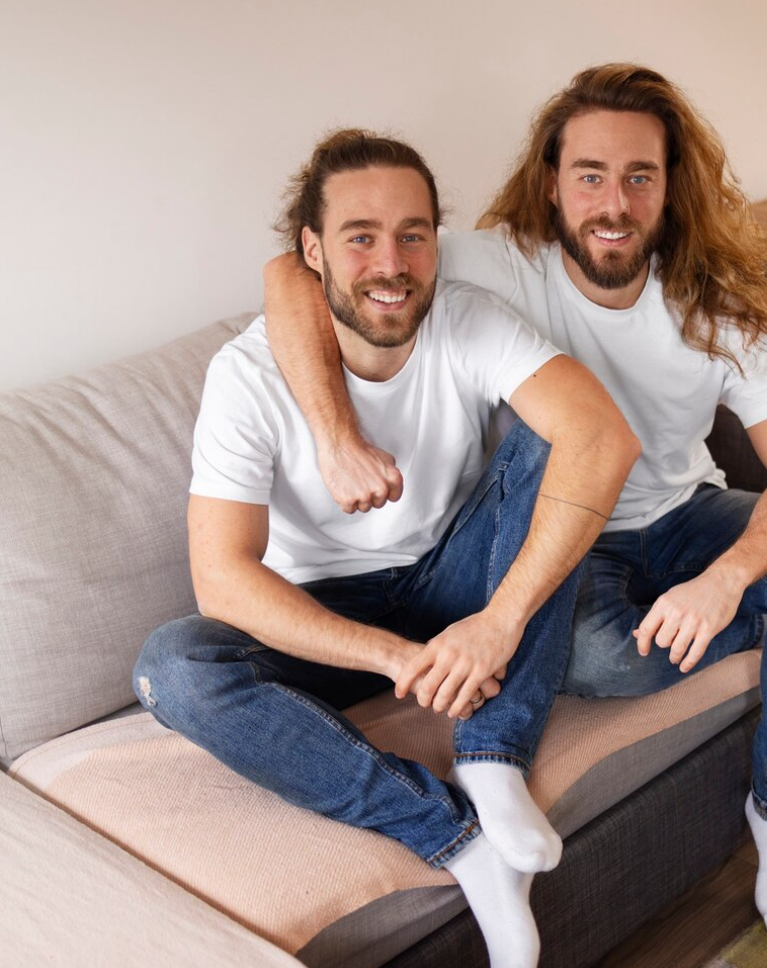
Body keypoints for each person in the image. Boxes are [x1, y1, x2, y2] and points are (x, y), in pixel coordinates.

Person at [261, 66, 767, 946]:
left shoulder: (720, 298)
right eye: (589, 175)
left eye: (640, 177)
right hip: (566, 535)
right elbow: (293, 272)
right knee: (598, 662)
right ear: (552, 183)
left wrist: (726, 579)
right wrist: (331, 436)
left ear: (674, 186)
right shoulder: (497, 262)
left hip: (687, 514)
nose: (613, 203)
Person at [133, 129, 638, 968]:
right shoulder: (248, 375)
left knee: (562, 445)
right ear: (312, 252)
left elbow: (606, 440)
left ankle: (491, 754)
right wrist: (398, 660)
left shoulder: (469, 319)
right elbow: (221, 579)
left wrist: (499, 622)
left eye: (413, 233)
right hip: (321, 619)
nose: (391, 262)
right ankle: (458, 840)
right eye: (360, 236)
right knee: (172, 665)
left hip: (452, 580)